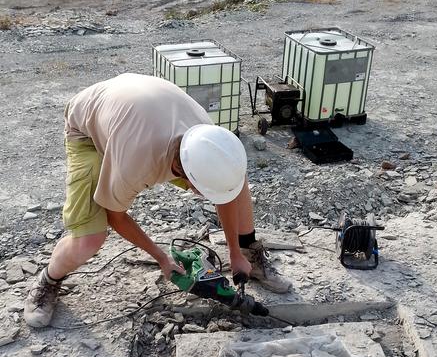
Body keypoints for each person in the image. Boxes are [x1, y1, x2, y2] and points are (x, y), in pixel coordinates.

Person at [24, 73, 291, 328]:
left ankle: (249, 255)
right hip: (87, 128)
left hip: (135, 109)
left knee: (235, 179)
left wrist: (234, 251)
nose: (206, 195)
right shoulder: (137, 163)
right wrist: (161, 258)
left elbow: (226, 189)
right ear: (185, 177)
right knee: (90, 239)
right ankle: (49, 279)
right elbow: (115, 215)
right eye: (202, 189)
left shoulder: (208, 139)